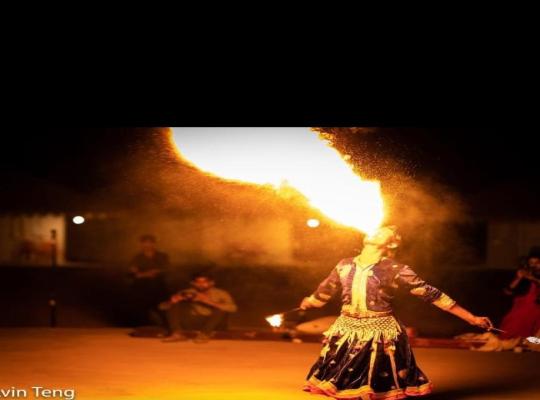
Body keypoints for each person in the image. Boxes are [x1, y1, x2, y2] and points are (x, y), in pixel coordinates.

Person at [300, 226, 492, 400]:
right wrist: (310, 302)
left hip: (379, 332)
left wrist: (471, 318)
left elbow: (432, 294)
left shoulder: (395, 269)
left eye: (382, 232)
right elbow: (325, 291)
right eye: (375, 229)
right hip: (346, 330)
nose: (375, 231)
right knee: (344, 384)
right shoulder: (344, 264)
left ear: (391, 243)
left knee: (373, 386)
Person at [162, 272, 237, 343]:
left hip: (213, 323)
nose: (201, 284)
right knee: (173, 305)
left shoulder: (221, 293)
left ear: (212, 283)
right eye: (198, 282)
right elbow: (162, 307)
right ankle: (177, 334)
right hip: (194, 321)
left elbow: (233, 308)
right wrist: (171, 302)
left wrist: (208, 301)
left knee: (221, 309)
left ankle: (205, 334)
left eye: (204, 282)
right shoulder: (187, 292)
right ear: (193, 283)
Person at [128, 234, 170, 327]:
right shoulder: (137, 258)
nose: (147, 245)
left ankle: (166, 328)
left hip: (159, 288)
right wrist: (147, 274)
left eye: (150, 243)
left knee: (162, 309)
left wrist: (156, 271)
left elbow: (167, 269)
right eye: (145, 243)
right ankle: (143, 328)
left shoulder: (162, 256)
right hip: (143, 289)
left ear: (154, 244)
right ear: (141, 244)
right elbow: (134, 274)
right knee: (142, 311)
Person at [499, 252, 540, 340]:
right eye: (531, 263)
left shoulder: (535, 277)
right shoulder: (523, 277)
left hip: (536, 311)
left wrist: (533, 279)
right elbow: (507, 292)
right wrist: (518, 278)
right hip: (520, 310)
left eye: (537, 263)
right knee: (512, 332)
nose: (534, 265)